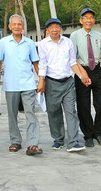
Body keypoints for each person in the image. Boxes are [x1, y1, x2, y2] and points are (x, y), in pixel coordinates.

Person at [37, 18, 88, 153]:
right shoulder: (43, 44)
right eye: (51, 27)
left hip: (68, 82)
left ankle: (73, 142)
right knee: (54, 113)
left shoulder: (68, 42)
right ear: (47, 30)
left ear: (61, 28)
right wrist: (41, 81)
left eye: (57, 27)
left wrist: (81, 76)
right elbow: (43, 64)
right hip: (51, 82)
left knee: (71, 112)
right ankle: (58, 139)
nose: (55, 29)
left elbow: (72, 62)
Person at [0, 14, 42, 156]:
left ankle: (32, 143)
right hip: (11, 84)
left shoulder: (29, 43)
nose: (16, 26)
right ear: (9, 26)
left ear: (22, 26)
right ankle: (15, 141)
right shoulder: (3, 42)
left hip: (28, 83)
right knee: (12, 114)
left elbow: (35, 62)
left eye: (19, 24)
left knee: (30, 113)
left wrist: (41, 80)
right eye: (14, 24)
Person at [69, 7, 101, 148]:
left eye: (91, 17)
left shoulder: (99, 35)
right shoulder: (74, 36)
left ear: (94, 20)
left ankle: (98, 132)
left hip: (97, 70)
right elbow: (72, 58)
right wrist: (82, 74)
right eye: (85, 17)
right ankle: (88, 135)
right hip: (82, 70)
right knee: (83, 106)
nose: (88, 20)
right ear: (81, 20)